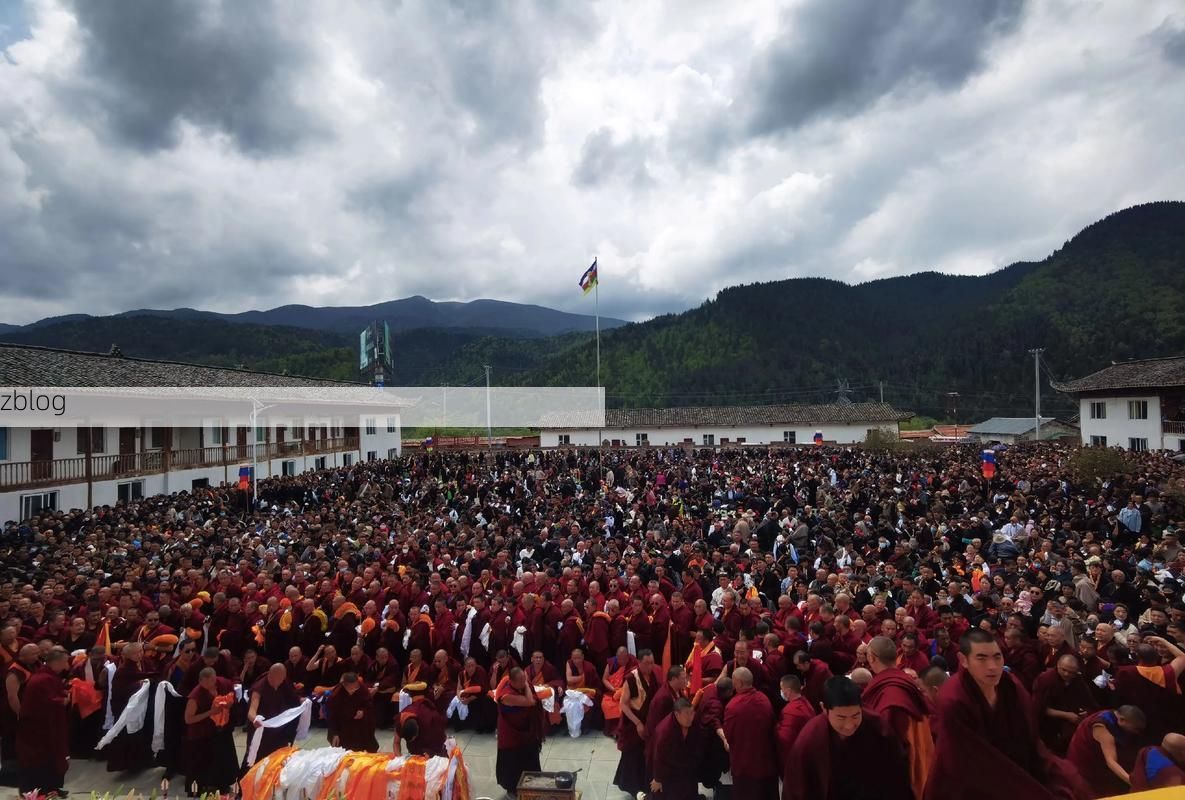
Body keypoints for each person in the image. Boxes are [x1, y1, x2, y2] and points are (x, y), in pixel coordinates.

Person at [924, 630, 1087, 800]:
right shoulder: (953, 698)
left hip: (1014, 765)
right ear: (964, 660)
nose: (993, 666)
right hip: (970, 779)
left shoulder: (1011, 686)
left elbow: (1028, 738)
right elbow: (972, 760)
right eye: (981, 658)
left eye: (997, 656)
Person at [786, 675, 913, 800]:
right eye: (841, 718)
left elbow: (896, 776)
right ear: (824, 709)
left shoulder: (877, 728)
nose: (849, 726)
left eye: (856, 715)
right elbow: (796, 788)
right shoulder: (810, 738)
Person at [862, 636, 934, 799]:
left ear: (871, 657)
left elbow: (885, 744)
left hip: (900, 778)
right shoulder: (904, 681)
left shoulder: (892, 695)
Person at [1113, 636, 1185, 743]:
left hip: (1140, 720)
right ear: (1157, 658)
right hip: (1169, 720)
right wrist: (1163, 640)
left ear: (1137, 657)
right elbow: (1182, 657)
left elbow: (1119, 695)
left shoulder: (1126, 672)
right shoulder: (1166, 672)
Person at [17, 649, 70, 796]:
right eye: (65, 662)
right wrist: (63, 701)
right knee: (41, 760)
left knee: (51, 758)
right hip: (39, 730)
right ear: (57, 662)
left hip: (45, 727)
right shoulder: (43, 679)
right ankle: (39, 790)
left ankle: (51, 788)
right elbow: (47, 703)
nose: (66, 666)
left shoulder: (47, 676)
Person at [1064, 705, 1145, 798]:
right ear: (1122, 720)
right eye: (1135, 729)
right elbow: (1111, 761)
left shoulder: (1114, 714)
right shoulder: (1103, 727)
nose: (1136, 732)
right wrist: (1132, 782)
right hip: (1084, 765)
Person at [723, 666, 777, 800]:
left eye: (734, 681)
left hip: (744, 765)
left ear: (739, 683)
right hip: (766, 762)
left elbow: (729, 736)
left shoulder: (733, 706)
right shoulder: (764, 699)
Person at [183, 666, 238, 796]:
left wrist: (229, 703)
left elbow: (233, 696)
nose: (210, 685)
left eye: (212, 681)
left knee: (223, 759)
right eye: (206, 683)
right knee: (205, 764)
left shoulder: (223, 683)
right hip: (202, 734)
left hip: (222, 730)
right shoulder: (195, 696)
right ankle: (204, 789)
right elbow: (188, 719)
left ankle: (223, 785)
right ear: (200, 681)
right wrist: (210, 712)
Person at [614, 649, 659, 796]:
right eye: (646, 663)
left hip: (649, 721)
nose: (650, 666)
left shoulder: (654, 675)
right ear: (639, 663)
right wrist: (638, 723)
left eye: (652, 663)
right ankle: (632, 787)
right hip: (634, 722)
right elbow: (624, 704)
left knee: (645, 755)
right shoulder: (631, 678)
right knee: (632, 755)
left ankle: (644, 785)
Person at [1032, 654, 1098, 756]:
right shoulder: (1045, 679)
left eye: (1071, 672)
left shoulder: (1077, 679)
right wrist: (1066, 715)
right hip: (1049, 725)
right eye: (1063, 670)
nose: (1067, 674)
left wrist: (1086, 712)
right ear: (1057, 665)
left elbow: (1089, 701)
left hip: (1071, 723)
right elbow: (1039, 708)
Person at [105, 642, 156, 774]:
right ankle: (130, 765)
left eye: (141, 651)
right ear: (127, 656)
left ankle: (145, 760)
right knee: (129, 736)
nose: (140, 655)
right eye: (136, 653)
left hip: (144, 705)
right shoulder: (123, 670)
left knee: (144, 732)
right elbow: (120, 689)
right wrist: (138, 685)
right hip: (126, 706)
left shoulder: (146, 662)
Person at [496, 666, 544, 796]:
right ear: (512, 681)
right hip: (511, 734)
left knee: (531, 756)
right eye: (521, 681)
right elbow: (530, 701)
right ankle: (512, 790)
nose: (525, 683)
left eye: (525, 679)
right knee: (513, 762)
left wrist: (525, 683)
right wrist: (527, 686)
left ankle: (533, 784)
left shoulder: (520, 682)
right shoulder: (506, 696)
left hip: (527, 729)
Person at [246, 663, 302, 766]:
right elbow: (251, 711)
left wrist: (302, 701)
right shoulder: (259, 688)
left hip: (279, 728)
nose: (281, 682)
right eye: (280, 679)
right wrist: (255, 720)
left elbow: (293, 698)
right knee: (260, 760)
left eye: (283, 679)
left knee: (279, 757)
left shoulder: (283, 682)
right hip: (264, 731)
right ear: (271, 676)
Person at [650, 697, 706, 800]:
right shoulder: (665, 731)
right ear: (677, 714)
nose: (690, 717)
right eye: (687, 714)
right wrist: (658, 779)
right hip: (670, 771)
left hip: (688, 768)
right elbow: (658, 757)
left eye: (692, 713)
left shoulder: (693, 722)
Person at [776, 674, 815, 791]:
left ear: (788, 691)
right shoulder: (807, 704)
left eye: (781, 689)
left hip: (795, 761)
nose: (781, 692)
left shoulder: (790, 711)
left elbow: (784, 739)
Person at [326, 671, 378, 752]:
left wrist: (362, 711)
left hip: (360, 723)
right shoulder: (336, 695)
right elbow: (332, 716)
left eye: (356, 687)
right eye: (351, 688)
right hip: (342, 725)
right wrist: (335, 733)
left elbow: (368, 703)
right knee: (343, 749)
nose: (354, 690)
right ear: (344, 685)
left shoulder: (361, 688)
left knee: (369, 743)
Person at [394, 681, 446, 757]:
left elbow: (396, 742)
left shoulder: (403, 715)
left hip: (428, 755)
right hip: (427, 756)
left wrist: (399, 760)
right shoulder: (433, 711)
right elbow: (396, 742)